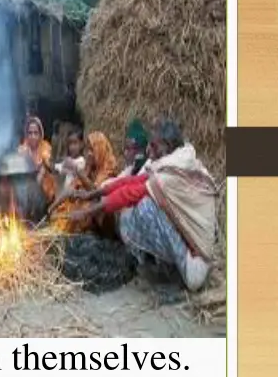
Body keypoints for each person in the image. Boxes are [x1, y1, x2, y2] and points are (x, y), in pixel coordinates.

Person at [60, 121, 217, 291]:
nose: (149, 150)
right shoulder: (171, 165)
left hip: (196, 265)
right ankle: (167, 267)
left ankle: (176, 275)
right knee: (137, 209)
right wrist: (92, 195)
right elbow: (131, 182)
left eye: (154, 145)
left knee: (144, 208)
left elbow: (130, 193)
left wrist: (87, 211)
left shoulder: (171, 176)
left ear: (168, 146)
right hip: (191, 248)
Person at [49, 131, 118, 234]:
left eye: (92, 150)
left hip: (101, 213)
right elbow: (73, 187)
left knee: (80, 210)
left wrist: (79, 172)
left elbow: (95, 192)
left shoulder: (108, 167)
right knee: (65, 207)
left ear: (100, 149)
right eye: (88, 149)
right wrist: (53, 206)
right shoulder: (91, 167)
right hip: (88, 203)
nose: (89, 154)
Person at [102, 119, 151, 187]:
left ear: (140, 151)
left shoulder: (146, 170)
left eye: (128, 149)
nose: (125, 153)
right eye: (125, 148)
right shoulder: (131, 168)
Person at [19, 116, 56, 202]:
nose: (33, 136)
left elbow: (45, 165)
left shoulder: (45, 147)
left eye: (36, 133)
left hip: (44, 190)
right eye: (30, 133)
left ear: (40, 134)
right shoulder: (22, 149)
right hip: (26, 188)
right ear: (26, 134)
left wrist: (34, 187)